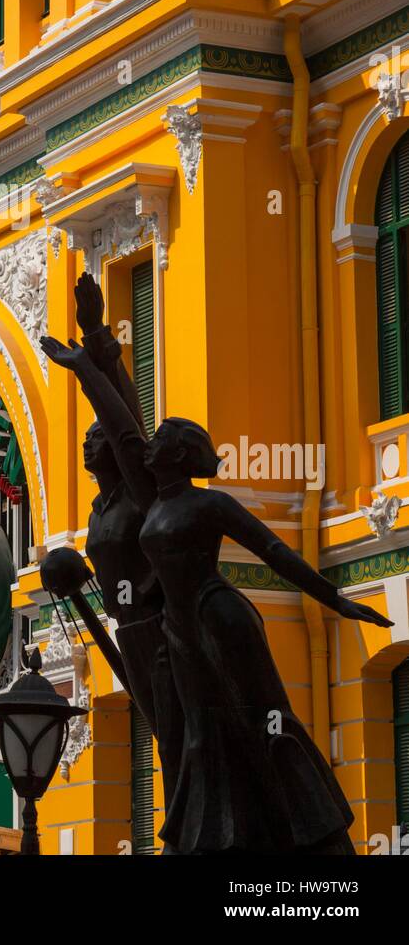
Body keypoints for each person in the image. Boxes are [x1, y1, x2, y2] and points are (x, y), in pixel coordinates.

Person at [40, 332, 392, 855]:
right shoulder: (152, 500)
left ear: (178, 454)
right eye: (148, 439)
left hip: (220, 619)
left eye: (157, 438)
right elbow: (121, 430)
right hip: (180, 633)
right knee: (200, 743)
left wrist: (334, 597)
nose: (146, 442)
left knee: (267, 726)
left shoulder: (209, 505)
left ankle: (314, 836)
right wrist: (87, 367)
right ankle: (216, 842)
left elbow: (275, 552)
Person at [41, 274, 184, 822]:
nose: (89, 437)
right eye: (89, 435)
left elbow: (124, 416)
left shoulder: (137, 492)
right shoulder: (101, 511)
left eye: (98, 434)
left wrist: (95, 339)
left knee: (181, 748)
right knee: (169, 748)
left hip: (164, 631)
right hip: (130, 633)